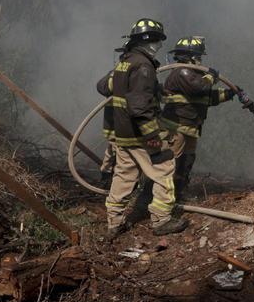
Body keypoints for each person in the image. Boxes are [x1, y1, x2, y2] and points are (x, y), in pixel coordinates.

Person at [95, 18, 188, 240]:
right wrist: (153, 137)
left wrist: (156, 90)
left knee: (124, 176)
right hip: (140, 135)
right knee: (165, 169)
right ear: (148, 41)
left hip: (123, 133)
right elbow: (139, 107)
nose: (159, 46)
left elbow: (113, 88)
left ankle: (114, 223)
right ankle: (161, 219)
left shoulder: (125, 62)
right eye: (157, 41)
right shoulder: (144, 66)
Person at [156, 36, 238, 198]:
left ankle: (178, 191)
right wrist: (211, 77)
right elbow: (199, 88)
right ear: (191, 57)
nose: (200, 60)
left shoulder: (192, 75)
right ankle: (159, 200)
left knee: (186, 162)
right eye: (199, 57)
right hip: (175, 127)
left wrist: (229, 93)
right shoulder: (182, 72)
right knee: (171, 163)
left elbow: (204, 99)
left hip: (191, 127)